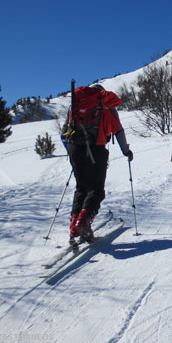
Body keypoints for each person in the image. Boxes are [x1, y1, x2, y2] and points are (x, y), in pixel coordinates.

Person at [63, 84, 133, 244]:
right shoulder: (105, 105)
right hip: (96, 149)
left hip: (75, 149)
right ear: (101, 92)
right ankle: (84, 224)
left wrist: (72, 152)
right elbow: (119, 131)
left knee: (81, 188)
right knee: (96, 189)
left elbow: (65, 132)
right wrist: (126, 151)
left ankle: (74, 226)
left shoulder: (75, 105)